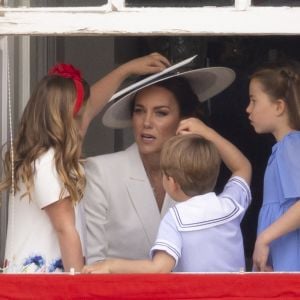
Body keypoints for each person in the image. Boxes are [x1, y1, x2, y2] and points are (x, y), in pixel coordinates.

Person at [0, 52, 170, 273]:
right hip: (47, 284)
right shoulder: (49, 163)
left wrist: (125, 70)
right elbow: (66, 231)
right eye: (82, 116)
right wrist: (78, 287)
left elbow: (91, 104)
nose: (86, 121)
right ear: (69, 120)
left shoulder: (41, 157)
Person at [82, 65, 236, 264]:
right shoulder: (101, 171)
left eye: (160, 113)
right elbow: (94, 262)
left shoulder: (197, 171)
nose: (147, 122)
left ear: (184, 120)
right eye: (139, 111)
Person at [82, 118, 252, 273]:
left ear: (171, 182)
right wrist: (207, 133)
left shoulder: (176, 219)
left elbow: (159, 268)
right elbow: (243, 167)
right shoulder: (230, 207)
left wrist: (111, 265)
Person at [247, 60, 300, 272]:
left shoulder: (291, 145)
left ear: (279, 106)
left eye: (254, 101)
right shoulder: (282, 148)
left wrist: (264, 238)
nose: (248, 109)